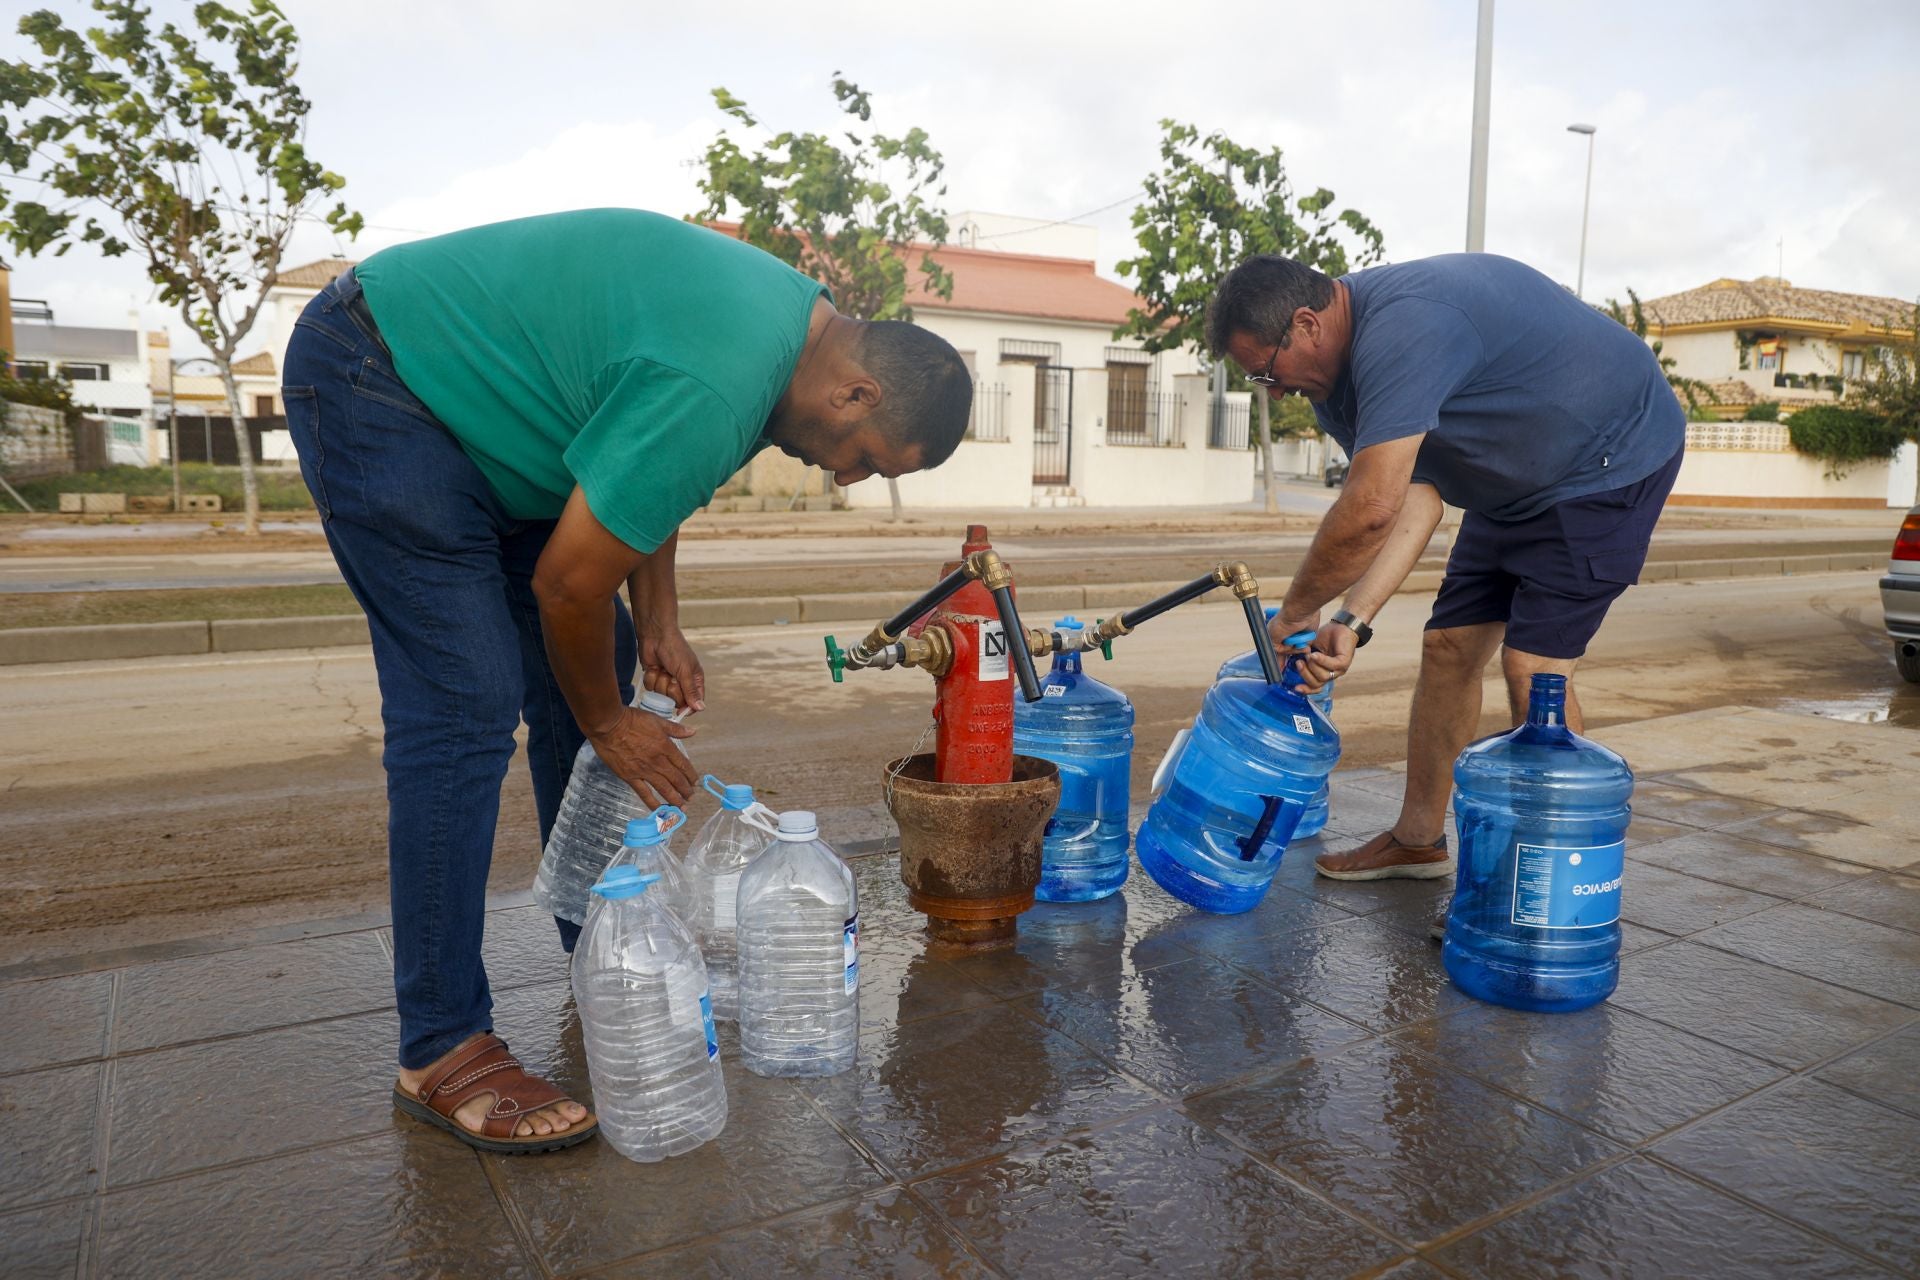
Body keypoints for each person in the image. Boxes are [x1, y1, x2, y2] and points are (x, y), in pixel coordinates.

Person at [280, 208, 971, 1153]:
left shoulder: (780, 336)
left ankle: (606, 949)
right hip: (388, 381)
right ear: (854, 395)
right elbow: (569, 578)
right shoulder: (726, 380)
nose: (845, 478)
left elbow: (643, 469)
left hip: (496, 424)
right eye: (864, 461)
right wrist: (610, 725)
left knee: (595, 667)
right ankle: (439, 1045)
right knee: (466, 703)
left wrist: (657, 622)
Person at [1206, 252, 1682, 897]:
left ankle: (1545, 886)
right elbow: (1413, 498)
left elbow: (1370, 511)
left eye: (1267, 371)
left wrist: (1295, 615)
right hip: (1510, 482)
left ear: (1308, 324)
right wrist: (1352, 618)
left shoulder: (1406, 326)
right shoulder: (1334, 386)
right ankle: (1417, 840)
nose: (1275, 391)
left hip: (1607, 460)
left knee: (1533, 669)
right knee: (1449, 645)